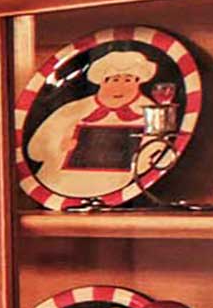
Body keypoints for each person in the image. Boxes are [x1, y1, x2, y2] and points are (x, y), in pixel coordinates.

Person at [23, 44, 177, 204]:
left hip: (122, 191)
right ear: (101, 82)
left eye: (128, 80)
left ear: (138, 82)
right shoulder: (73, 110)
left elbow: (158, 155)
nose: (120, 86)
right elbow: (35, 150)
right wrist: (58, 145)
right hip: (58, 187)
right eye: (114, 80)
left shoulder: (152, 113)